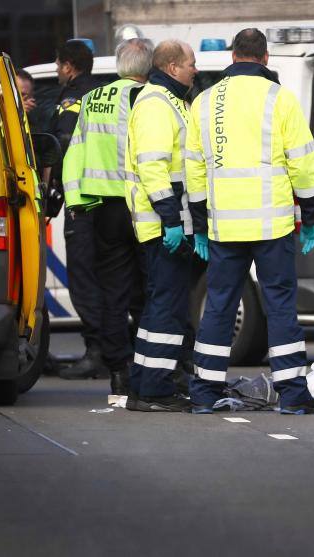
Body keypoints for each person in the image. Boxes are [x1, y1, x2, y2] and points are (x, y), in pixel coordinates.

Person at [185, 28, 314, 415]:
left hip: (224, 227)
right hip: (272, 225)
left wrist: (199, 223)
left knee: (218, 307)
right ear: (265, 59)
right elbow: (302, 161)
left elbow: (194, 170)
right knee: (280, 305)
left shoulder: (203, 102)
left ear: (232, 57)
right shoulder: (279, 99)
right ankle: (293, 394)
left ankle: (204, 392)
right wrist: (311, 216)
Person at [60, 38, 154, 399]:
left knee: (113, 294)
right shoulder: (146, 98)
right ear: (146, 68)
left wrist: (77, 202)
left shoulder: (93, 98)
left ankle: (118, 371)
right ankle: (150, 368)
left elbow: (75, 152)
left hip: (102, 209)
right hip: (140, 205)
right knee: (149, 292)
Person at [124, 39, 207, 412]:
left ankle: (144, 384)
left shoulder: (170, 101)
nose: (195, 69)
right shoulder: (156, 104)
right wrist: (172, 220)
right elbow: (153, 167)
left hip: (170, 224)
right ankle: (155, 390)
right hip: (164, 226)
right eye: (190, 63)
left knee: (162, 305)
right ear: (172, 67)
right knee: (167, 308)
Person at [49, 39, 106, 379]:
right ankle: (113, 352)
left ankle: (95, 351)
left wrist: (52, 184)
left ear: (69, 66)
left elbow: (64, 143)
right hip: (109, 199)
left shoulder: (71, 98)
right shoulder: (101, 94)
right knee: (111, 278)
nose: (57, 70)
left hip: (82, 202)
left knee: (84, 279)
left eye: (58, 64)